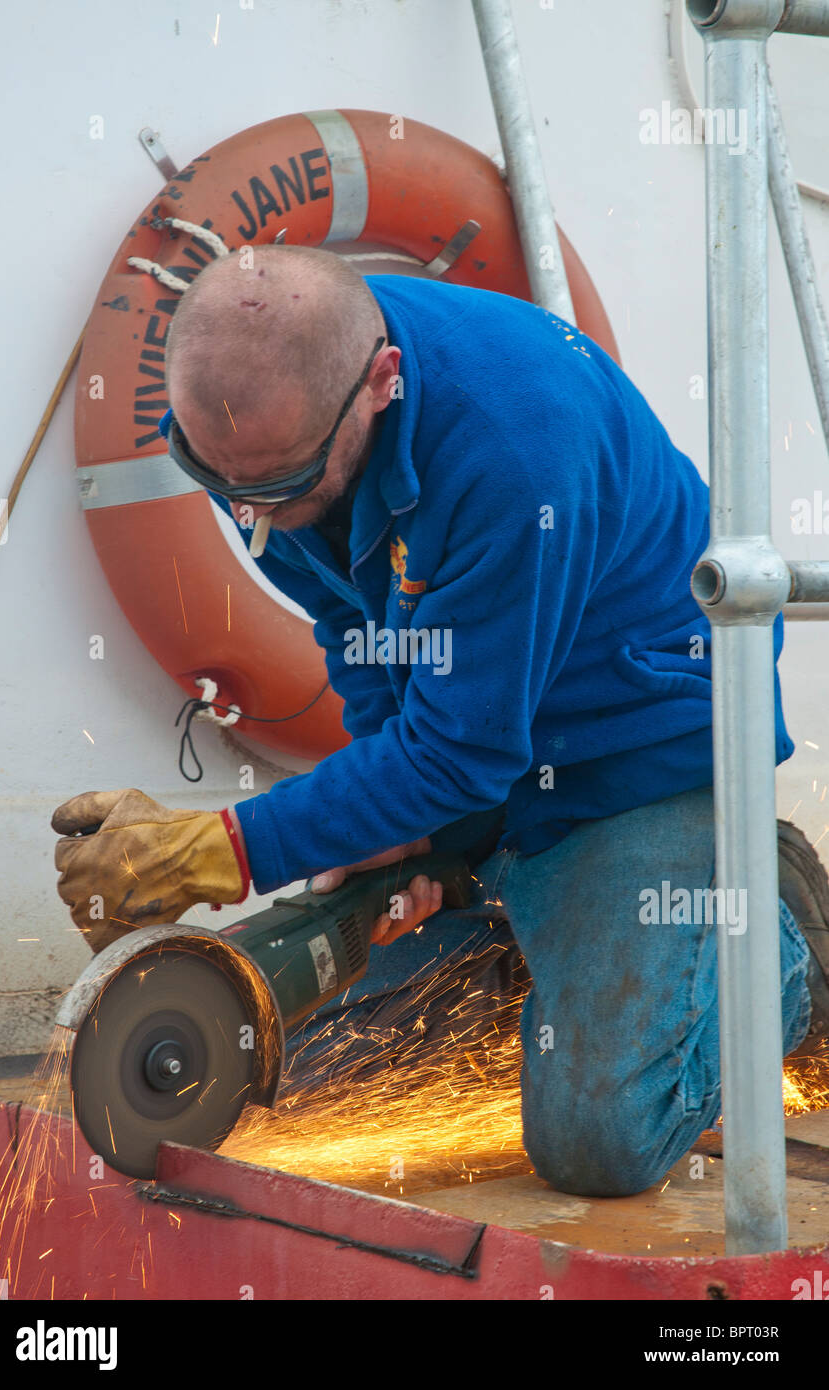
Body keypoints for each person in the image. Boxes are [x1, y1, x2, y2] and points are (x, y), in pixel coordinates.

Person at [52, 245, 829, 1196]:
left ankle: (771, 928)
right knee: (295, 1086)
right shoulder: (257, 426)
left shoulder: (514, 450)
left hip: (633, 758)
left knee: (600, 1143)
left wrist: (219, 849)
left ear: (382, 383)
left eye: (279, 488)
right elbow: (353, 620)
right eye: (229, 489)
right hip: (483, 732)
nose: (255, 517)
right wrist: (395, 824)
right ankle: (525, 943)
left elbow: (458, 754)